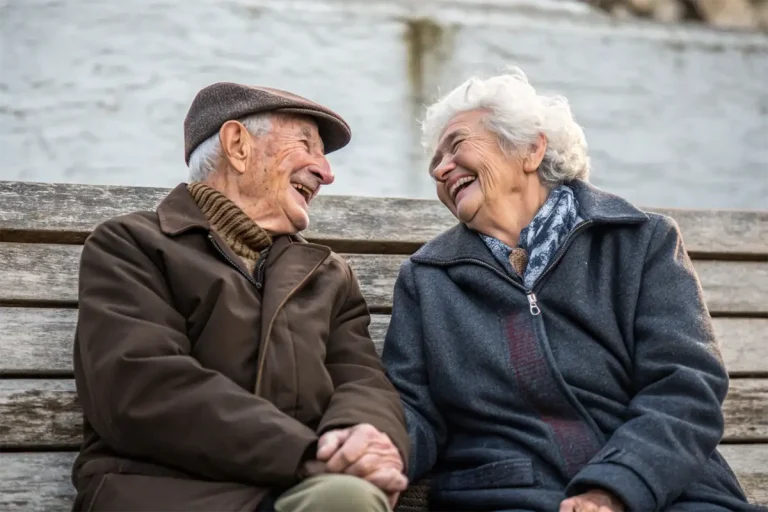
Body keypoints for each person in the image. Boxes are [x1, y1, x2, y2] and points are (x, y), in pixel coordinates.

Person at [382, 68, 761, 512]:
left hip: (669, 492)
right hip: (511, 494)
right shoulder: (428, 278)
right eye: (434, 163)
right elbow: (413, 406)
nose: (441, 169)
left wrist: (615, 487)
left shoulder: (640, 242)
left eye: (457, 145)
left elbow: (685, 386)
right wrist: (381, 448)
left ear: (530, 148)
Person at [71, 83, 409, 512]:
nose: (326, 173)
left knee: (348, 495)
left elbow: (363, 382)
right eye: (307, 146)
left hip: (293, 490)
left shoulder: (327, 275)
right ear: (237, 145)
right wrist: (307, 455)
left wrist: (364, 437)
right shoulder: (132, 246)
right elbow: (142, 387)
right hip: (170, 495)